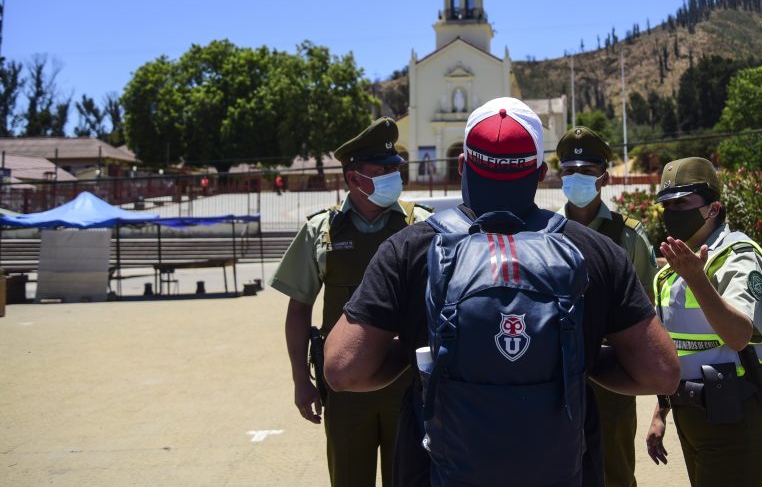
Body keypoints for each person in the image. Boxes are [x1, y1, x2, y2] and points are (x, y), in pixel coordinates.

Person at [324, 97, 679, 486]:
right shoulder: (595, 252)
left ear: (462, 165)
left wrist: (421, 354)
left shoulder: (409, 249)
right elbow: (660, 373)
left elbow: (344, 369)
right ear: (542, 172)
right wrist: (577, 358)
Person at [270, 116, 432, 487]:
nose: (395, 176)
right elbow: (298, 308)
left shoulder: (420, 225)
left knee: (408, 478)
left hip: (407, 383)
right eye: (383, 170)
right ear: (354, 177)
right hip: (343, 387)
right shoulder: (320, 231)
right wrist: (301, 381)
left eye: (396, 168)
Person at [645, 157, 762, 486]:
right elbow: (673, 350)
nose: (673, 213)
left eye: (683, 202)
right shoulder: (669, 272)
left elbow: (738, 336)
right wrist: (660, 412)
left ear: (713, 208)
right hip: (690, 417)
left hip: (735, 418)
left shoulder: (738, 256)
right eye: (667, 204)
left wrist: (697, 279)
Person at [557, 126, 658, 487]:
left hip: (612, 378)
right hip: (556, 377)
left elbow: (649, 312)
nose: (577, 179)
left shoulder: (628, 235)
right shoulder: (544, 233)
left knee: (614, 471)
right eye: (569, 171)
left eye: (586, 172)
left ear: (604, 177)